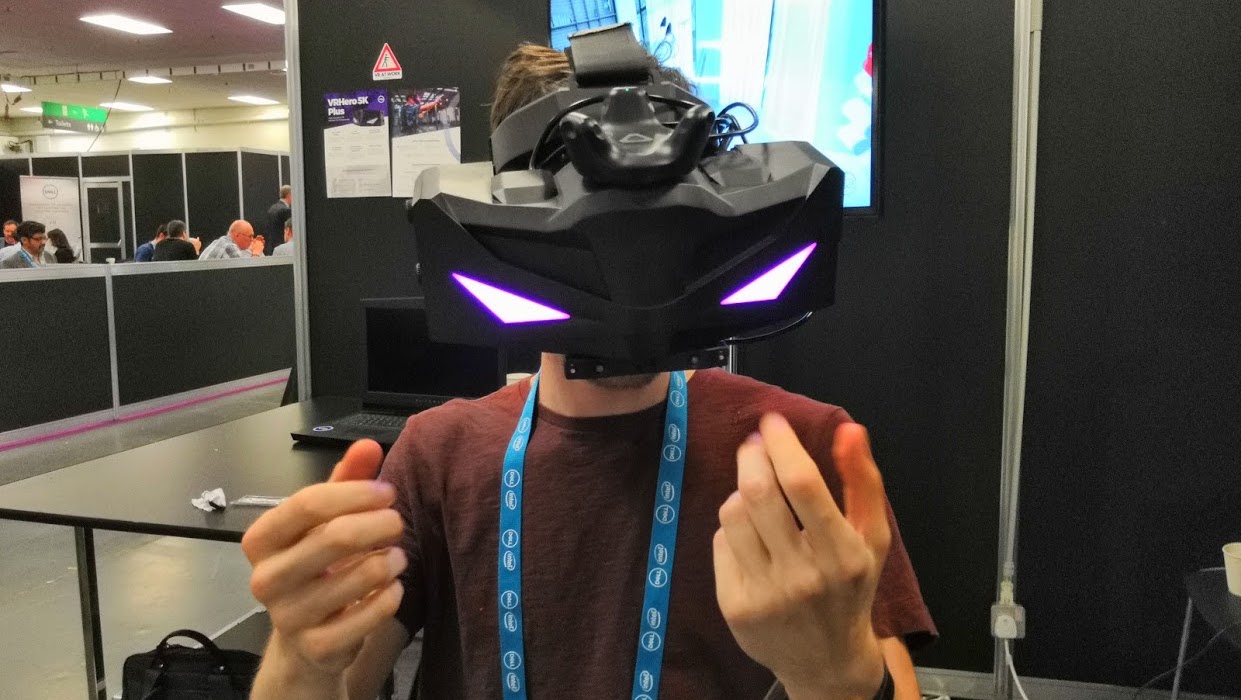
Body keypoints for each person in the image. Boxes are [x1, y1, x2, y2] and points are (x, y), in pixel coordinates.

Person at [242, 45, 935, 700]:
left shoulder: (801, 453)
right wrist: (299, 658)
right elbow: (338, 679)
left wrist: (839, 678)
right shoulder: (438, 455)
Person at [198, 220, 264, 260]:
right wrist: (256, 252)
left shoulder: (222, 242)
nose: (252, 240)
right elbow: (246, 273)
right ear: (237, 235)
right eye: (250, 236)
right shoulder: (229, 246)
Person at [265, 185, 293, 255]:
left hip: (270, 246)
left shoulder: (271, 208)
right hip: (283, 248)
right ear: (289, 195)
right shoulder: (285, 210)